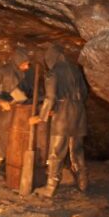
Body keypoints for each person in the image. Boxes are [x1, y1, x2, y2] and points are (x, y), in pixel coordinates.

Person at [29, 44, 88, 197]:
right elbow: (85, 92)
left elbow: (50, 98)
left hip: (63, 115)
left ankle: (50, 187)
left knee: (56, 152)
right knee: (77, 150)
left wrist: (41, 117)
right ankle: (83, 183)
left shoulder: (53, 73)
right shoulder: (75, 70)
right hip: (80, 113)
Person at [0, 47, 33, 174]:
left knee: (19, 139)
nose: (27, 66)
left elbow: (31, 93)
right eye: (25, 63)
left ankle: (13, 167)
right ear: (18, 61)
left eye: (28, 64)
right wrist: (2, 102)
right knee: (2, 136)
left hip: (21, 113)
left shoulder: (28, 74)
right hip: (5, 111)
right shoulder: (2, 72)